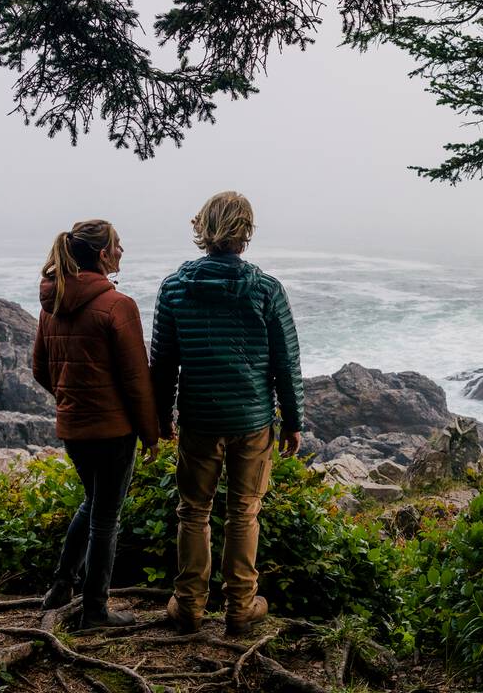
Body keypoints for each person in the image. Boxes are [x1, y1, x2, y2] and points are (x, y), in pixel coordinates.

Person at [151, 191, 305, 636]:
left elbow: (163, 363)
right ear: (246, 232)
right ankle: (240, 606)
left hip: (198, 418)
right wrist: (292, 421)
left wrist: (163, 418)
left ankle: (189, 605)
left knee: (193, 512)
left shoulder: (175, 288)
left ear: (204, 228)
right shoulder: (265, 289)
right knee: (244, 512)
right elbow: (285, 361)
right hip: (252, 420)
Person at [32, 219, 161, 628]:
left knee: (92, 505)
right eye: (118, 245)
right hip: (113, 431)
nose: (122, 250)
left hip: (73, 428)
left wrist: (71, 400)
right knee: (106, 517)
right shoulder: (117, 306)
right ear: (103, 254)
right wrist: (151, 432)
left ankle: (60, 586)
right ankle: (95, 610)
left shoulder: (52, 302)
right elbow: (137, 379)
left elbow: (40, 368)